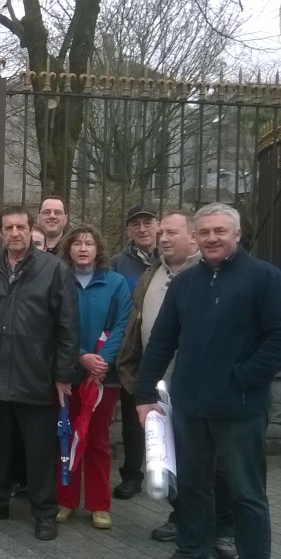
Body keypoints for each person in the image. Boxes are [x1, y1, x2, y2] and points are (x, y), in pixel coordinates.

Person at [135, 203, 281, 559]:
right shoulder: (185, 282)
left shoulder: (264, 277)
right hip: (190, 407)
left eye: (220, 231)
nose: (212, 238)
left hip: (240, 407)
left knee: (245, 492)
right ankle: (189, 557)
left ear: (237, 234)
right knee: (194, 487)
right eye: (205, 232)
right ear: (196, 238)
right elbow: (161, 341)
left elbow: (277, 336)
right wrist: (144, 394)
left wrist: (246, 377)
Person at [116, 211, 238, 559]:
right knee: (168, 455)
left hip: (203, 385)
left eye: (172, 233)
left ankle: (225, 527)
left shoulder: (209, 275)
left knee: (214, 462)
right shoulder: (152, 274)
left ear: (193, 238)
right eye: (162, 233)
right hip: (158, 381)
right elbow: (136, 323)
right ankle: (183, 516)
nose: (164, 238)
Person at [0, 205, 78, 542]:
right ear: (0, 233)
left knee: (39, 451)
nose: (15, 233)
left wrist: (62, 374)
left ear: (32, 230)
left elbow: (69, 327)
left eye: (21, 227)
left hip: (37, 375)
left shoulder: (55, 269)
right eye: (8, 228)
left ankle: (44, 512)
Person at [53, 225, 131, 530]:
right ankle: (65, 499)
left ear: (98, 249)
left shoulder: (116, 283)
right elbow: (55, 325)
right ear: (68, 249)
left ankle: (99, 504)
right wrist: (80, 355)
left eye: (89, 243)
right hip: (67, 372)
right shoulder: (59, 281)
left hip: (102, 378)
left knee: (97, 441)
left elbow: (122, 324)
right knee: (65, 437)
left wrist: (101, 362)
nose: (83, 249)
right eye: (77, 244)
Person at [111, 204, 160, 501]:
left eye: (147, 223)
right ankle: (132, 474)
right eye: (136, 224)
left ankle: (170, 474)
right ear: (129, 230)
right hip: (132, 351)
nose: (142, 229)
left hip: (167, 350)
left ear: (158, 225)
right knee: (133, 417)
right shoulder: (119, 263)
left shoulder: (170, 257)